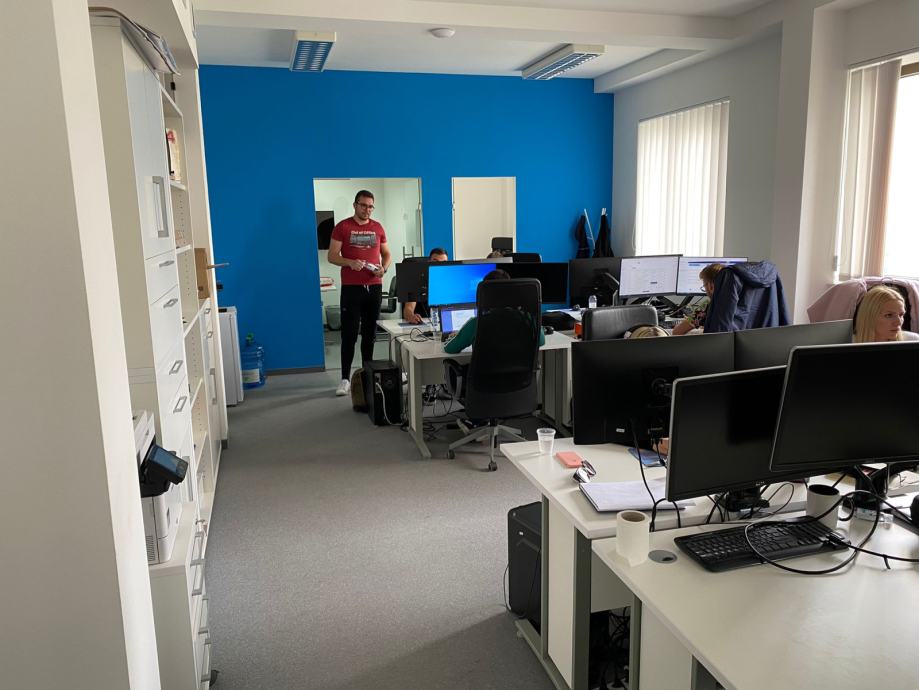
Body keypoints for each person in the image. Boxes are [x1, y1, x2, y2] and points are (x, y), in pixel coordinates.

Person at [328, 190, 392, 396]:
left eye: (370, 206)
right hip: (352, 288)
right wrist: (349, 262)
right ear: (355, 205)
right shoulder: (343, 227)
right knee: (349, 334)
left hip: (374, 286)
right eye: (363, 205)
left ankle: (367, 375)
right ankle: (345, 379)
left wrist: (384, 268)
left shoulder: (378, 227)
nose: (367, 209)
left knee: (370, 335)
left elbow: (387, 253)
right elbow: (332, 256)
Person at [444, 269, 545, 354]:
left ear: (484, 295)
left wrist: (460, 334)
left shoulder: (476, 324)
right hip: (522, 372)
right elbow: (541, 341)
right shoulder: (528, 319)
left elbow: (450, 349)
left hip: (485, 373)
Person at [672, 263, 725, 335]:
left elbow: (677, 332)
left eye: (704, 286)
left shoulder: (707, 306)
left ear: (711, 286)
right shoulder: (739, 301)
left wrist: (690, 319)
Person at [852, 285, 919, 342]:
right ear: (869, 317)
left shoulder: (913, 341)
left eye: (901, 315)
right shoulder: (849, 344)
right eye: (889, 315)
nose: (899, 323)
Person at [402, 247, 448, 324]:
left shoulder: (450, 281)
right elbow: (408, 309)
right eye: (435, 262)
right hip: (422, 323)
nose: (439, 265)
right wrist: (411, 316)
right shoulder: (416, 280)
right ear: (429, 262)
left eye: (443, 262)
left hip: (446, 321)